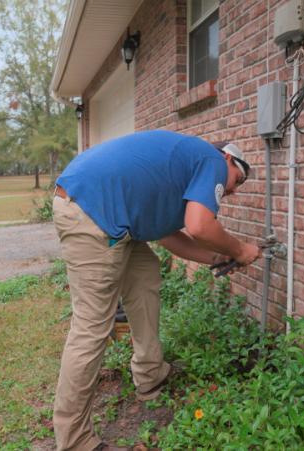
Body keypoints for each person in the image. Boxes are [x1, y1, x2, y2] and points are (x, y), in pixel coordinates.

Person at [51, 130, 261, 451]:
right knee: (91, 327)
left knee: (145, 275)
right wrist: (241, 249)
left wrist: (221, 257)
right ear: (228, 158)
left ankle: (150, 374)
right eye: (239, 179)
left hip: (109, 215)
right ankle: (75, 441)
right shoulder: (211, 160)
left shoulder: (184, 171)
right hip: (92, 210)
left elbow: (169, 237)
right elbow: (200, 226)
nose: (232, 190)